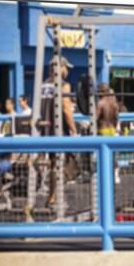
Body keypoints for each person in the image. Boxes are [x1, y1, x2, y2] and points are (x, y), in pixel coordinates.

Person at [40, 55, 78, 208]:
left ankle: (52, 197)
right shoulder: (63, 85)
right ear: (60, 67)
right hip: (58, 131)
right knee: (61, 165)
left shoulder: (42, 85)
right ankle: (54, 199)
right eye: (66, 67)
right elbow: (66, 108)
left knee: (52, 165)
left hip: (43, 131)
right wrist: (74, 130)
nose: (67, 71)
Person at [96, 82, 121, 183]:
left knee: (102, 155)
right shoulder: (114, 104)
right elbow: (116, 118)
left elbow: (95, 118)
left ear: (102, 92)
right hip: (113, 130)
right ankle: (115, 176)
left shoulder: (101, 103)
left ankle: (104, 176)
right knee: (113, 155)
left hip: (103, 130)